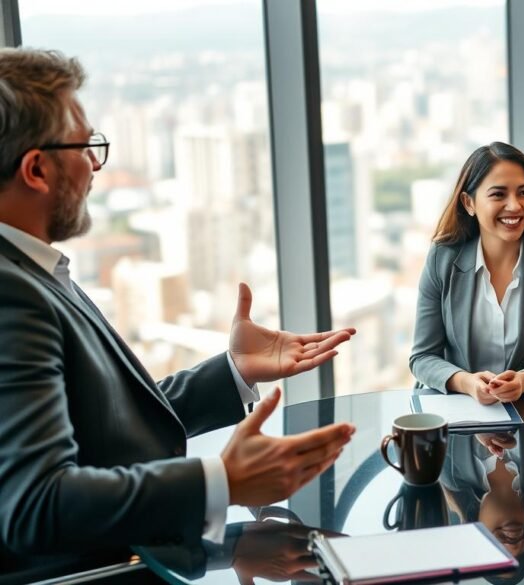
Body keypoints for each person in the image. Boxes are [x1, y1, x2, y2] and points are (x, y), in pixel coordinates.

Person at [0, 48, 357, 572]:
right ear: (36, 169)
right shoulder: (11, 293)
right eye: (85, 146)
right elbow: (37, 505)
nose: (96, 167)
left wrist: (231, 372)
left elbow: (107, 426)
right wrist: (222, 481)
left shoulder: (31, 269)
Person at [409, 142, 524, 404]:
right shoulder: (443, 258)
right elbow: (422, 358)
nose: (514, 206)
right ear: (469, 203)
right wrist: (466, 382)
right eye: (498, 194)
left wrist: (523, 381)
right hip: (458, 412)